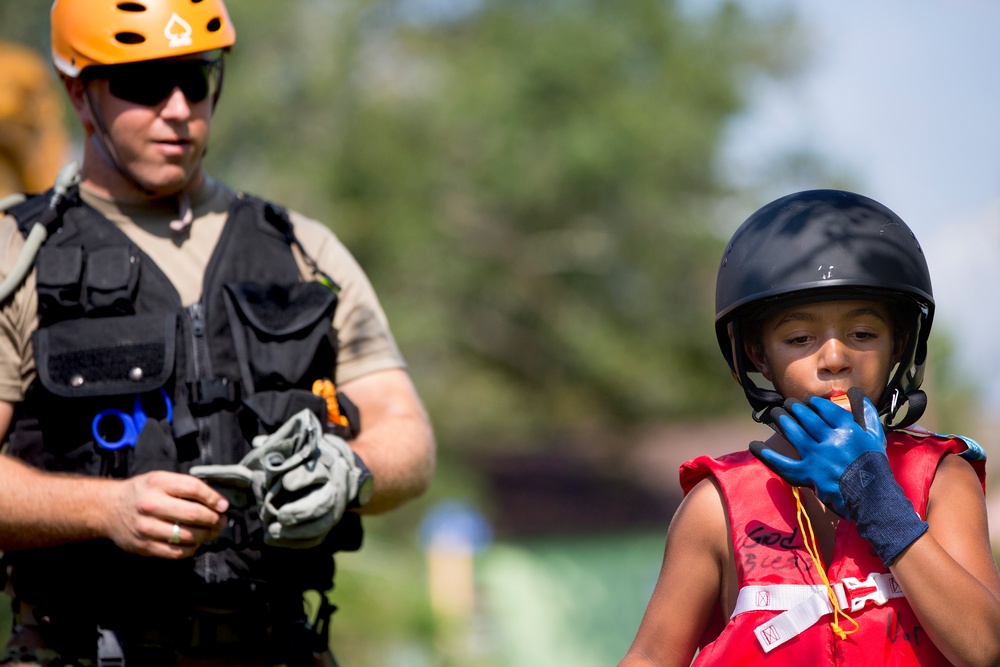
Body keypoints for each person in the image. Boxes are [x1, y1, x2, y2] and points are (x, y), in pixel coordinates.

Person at [0, 1, 435, 665]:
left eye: (196, 79)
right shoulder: (15, 254)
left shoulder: (303, 249)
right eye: (144, 83)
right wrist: (106, 508)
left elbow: (408, 431)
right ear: (78, 93)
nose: (177, 108)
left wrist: (352, 471)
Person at [619, 190, 1000, 666]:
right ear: (757, 355)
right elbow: (651, 657)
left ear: (901, 344)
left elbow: (985, 650)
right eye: (799, 338)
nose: (835, 359)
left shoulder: (941, 481)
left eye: (863, 335)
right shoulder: (715, 509)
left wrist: (878, 500)